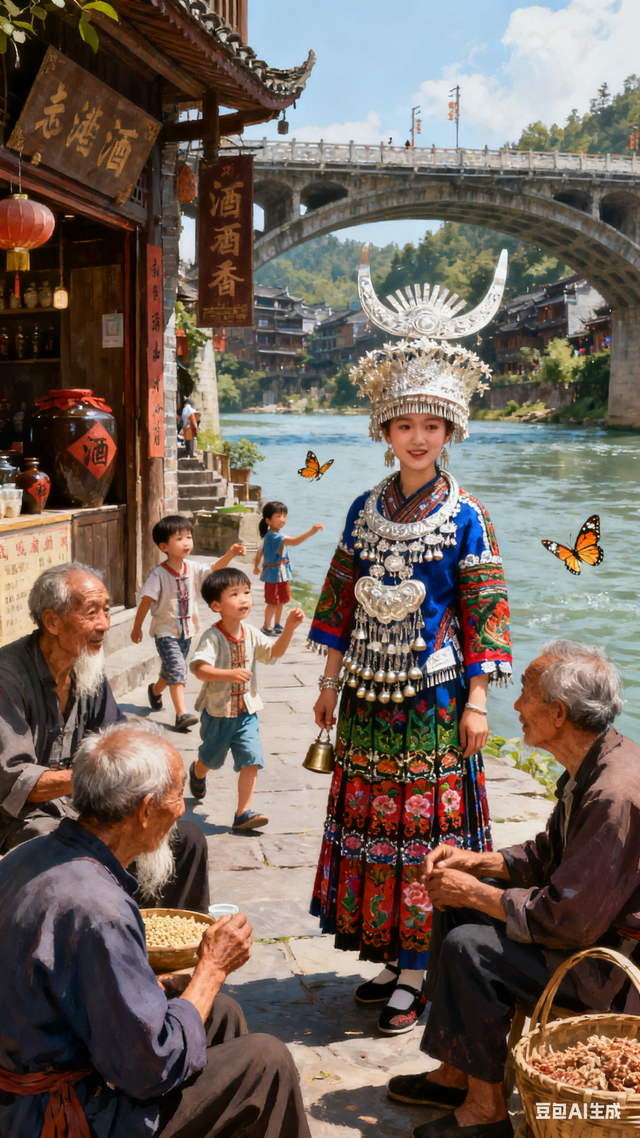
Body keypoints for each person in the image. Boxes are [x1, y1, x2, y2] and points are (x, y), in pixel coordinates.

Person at [310, 256, 512, 1035]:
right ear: (385, 430)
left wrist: (480, 702)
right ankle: (396, 954)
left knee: (427, 827)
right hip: (366, 689)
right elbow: (338, 595)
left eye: (432, 426)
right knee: (374, 820)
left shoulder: (468, 514)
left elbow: (486, 610)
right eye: (405, 425)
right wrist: (328, 679)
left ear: (450, 431)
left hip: (434, 693)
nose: (418, 438)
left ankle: (425, 965)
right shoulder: (366, 507)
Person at [0, 721, 312, 1138]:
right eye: (178, 794)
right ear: (145, 810)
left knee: (221, 1013)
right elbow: (150, 1068)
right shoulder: (98, 908)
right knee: (265, 1061)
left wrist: (161, 986)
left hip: (38, 1072)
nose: (181, 810)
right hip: (51, 1116)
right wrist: (211, 970)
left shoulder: (33, 853)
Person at [388, 640, 637, 1138]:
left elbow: (567, 919)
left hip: (607, 968)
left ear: (559, 712)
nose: (517, 706)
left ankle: (487, 1111)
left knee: (471, 945)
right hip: (584, 929)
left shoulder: (613, 793)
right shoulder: (593, 764)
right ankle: (457, 1073)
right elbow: (549, 854)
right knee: (456, 910)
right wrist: (476, 862)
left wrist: (474, 892)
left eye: (525, 694)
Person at [0, 562, 209, 913]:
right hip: (24, 821)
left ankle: (169, 950)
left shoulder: (86, 669)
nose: (103, 625)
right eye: (90, 613)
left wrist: (160, 765)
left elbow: (120, 737)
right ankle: (105, 944)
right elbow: (13, 782)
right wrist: (96, 779)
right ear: (51, 621)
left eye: (106, 611)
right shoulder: (8, 678)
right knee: (59, 846)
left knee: (185, 839)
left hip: (86, 809)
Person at [188, 568, 304, 830]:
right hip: (218, 714)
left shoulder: (250, 632)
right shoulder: (212, 637)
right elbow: (199, 669)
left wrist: (288, 628)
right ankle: (198, 771)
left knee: (251, 758)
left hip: (246, 712)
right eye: (235, 594)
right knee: (211, 759)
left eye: (247, 593)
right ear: (216, 605)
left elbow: (273, 652)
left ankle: (243, 812)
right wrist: (229, 673)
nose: (244, 599)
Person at [131, 515, 244, 731]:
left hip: (187, 631)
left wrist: (230, 553)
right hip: (165, 631)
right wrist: (137, 627)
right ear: (164, 546)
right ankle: (181, 714)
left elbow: (213, 569)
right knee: (178, 667)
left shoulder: (192, 568)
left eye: (188, 537)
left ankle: (155, 691)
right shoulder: (158, 575)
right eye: (180, 538)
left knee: (171, 671)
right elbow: (146, 601)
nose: (186, 542)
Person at [254, 500, 323, 635]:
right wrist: (311, 531)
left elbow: (259, 551)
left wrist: (256, 566)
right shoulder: (275, 537)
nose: (282, 519)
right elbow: (295, 541)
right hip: (273, 575)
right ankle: (267, 626)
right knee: (272, 602)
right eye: (278, 516)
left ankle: (277, 624)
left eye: (284, 516)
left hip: (281, 574)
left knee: (280, 601)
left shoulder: (269, 536)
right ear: (268, 520)